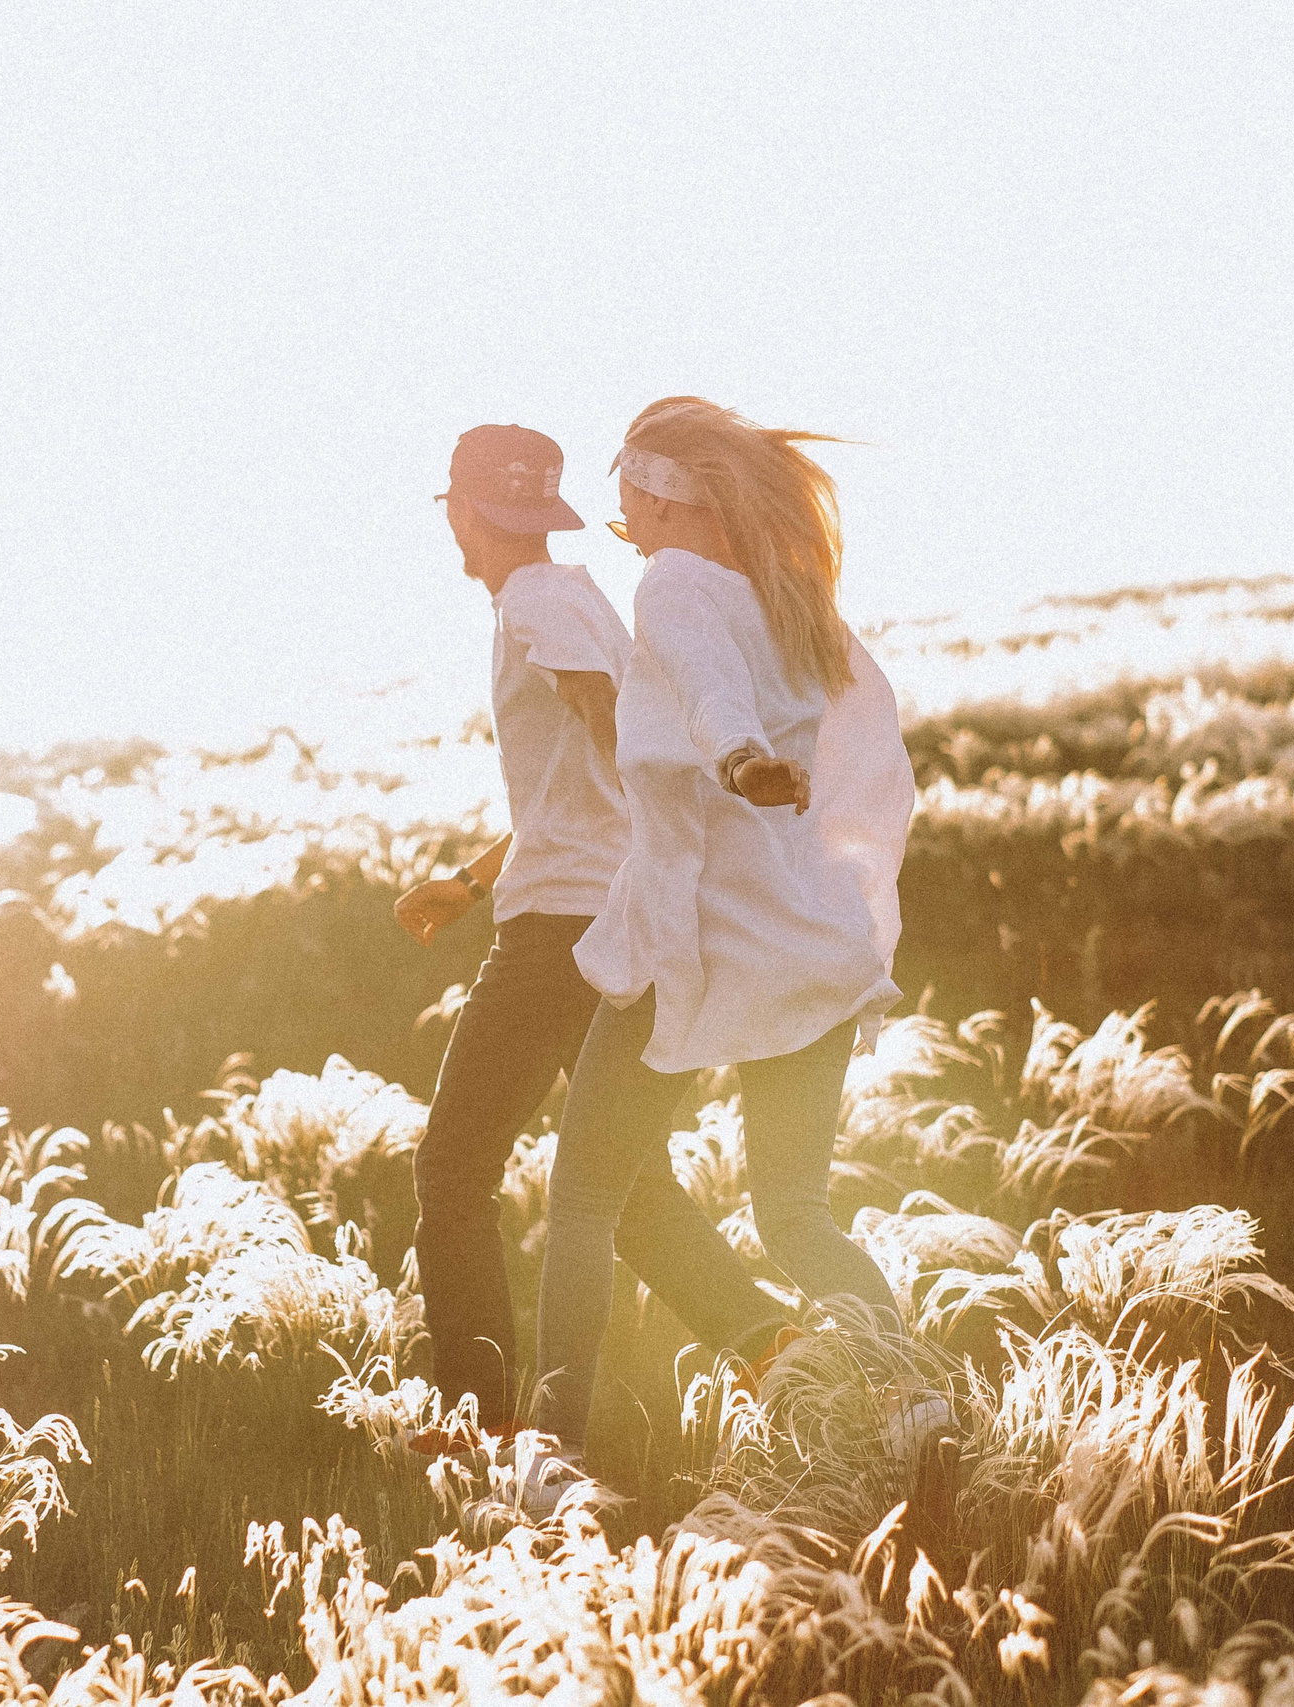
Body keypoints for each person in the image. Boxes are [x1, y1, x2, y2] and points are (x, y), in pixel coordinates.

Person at [522, 396, 941, 1514]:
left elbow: (707, 694)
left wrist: (741, 757)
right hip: (801, 943)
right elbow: (865, 757)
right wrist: (755, 764)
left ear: (668, 495)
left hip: (689, 944)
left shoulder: (676, 586)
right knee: (794, 1212)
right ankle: (914, 1406)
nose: (628, 531)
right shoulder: (795, 606)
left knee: (584, 1205)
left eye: (630, 506)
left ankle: (548, 1457)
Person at [399, 423, 799, 1455]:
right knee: (615, 1183)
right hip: (598, 905)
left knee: (452, 1168)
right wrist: (464, 879)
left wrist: (674, 818)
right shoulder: (565, 593)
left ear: (459, 508)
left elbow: (602, 719)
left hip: (558, 931)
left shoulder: (534, 598)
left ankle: (475, 1423)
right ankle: (771, 1346)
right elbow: (567, 791)